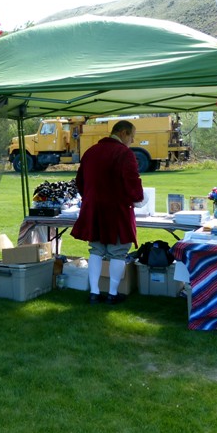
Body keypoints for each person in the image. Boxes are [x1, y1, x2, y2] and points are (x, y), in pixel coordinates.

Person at [70, 120, 145, 305]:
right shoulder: (124, 153)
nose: (133, 140)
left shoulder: (91, 152)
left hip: (93, 210)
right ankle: (112, 294)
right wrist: (137, 198)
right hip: (116, 211)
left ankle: (94, 293)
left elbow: (80, 182)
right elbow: (132, 182)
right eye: (132, 136)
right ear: (124, 133)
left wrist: (90, 198)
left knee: (96, 249)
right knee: (117, 252)